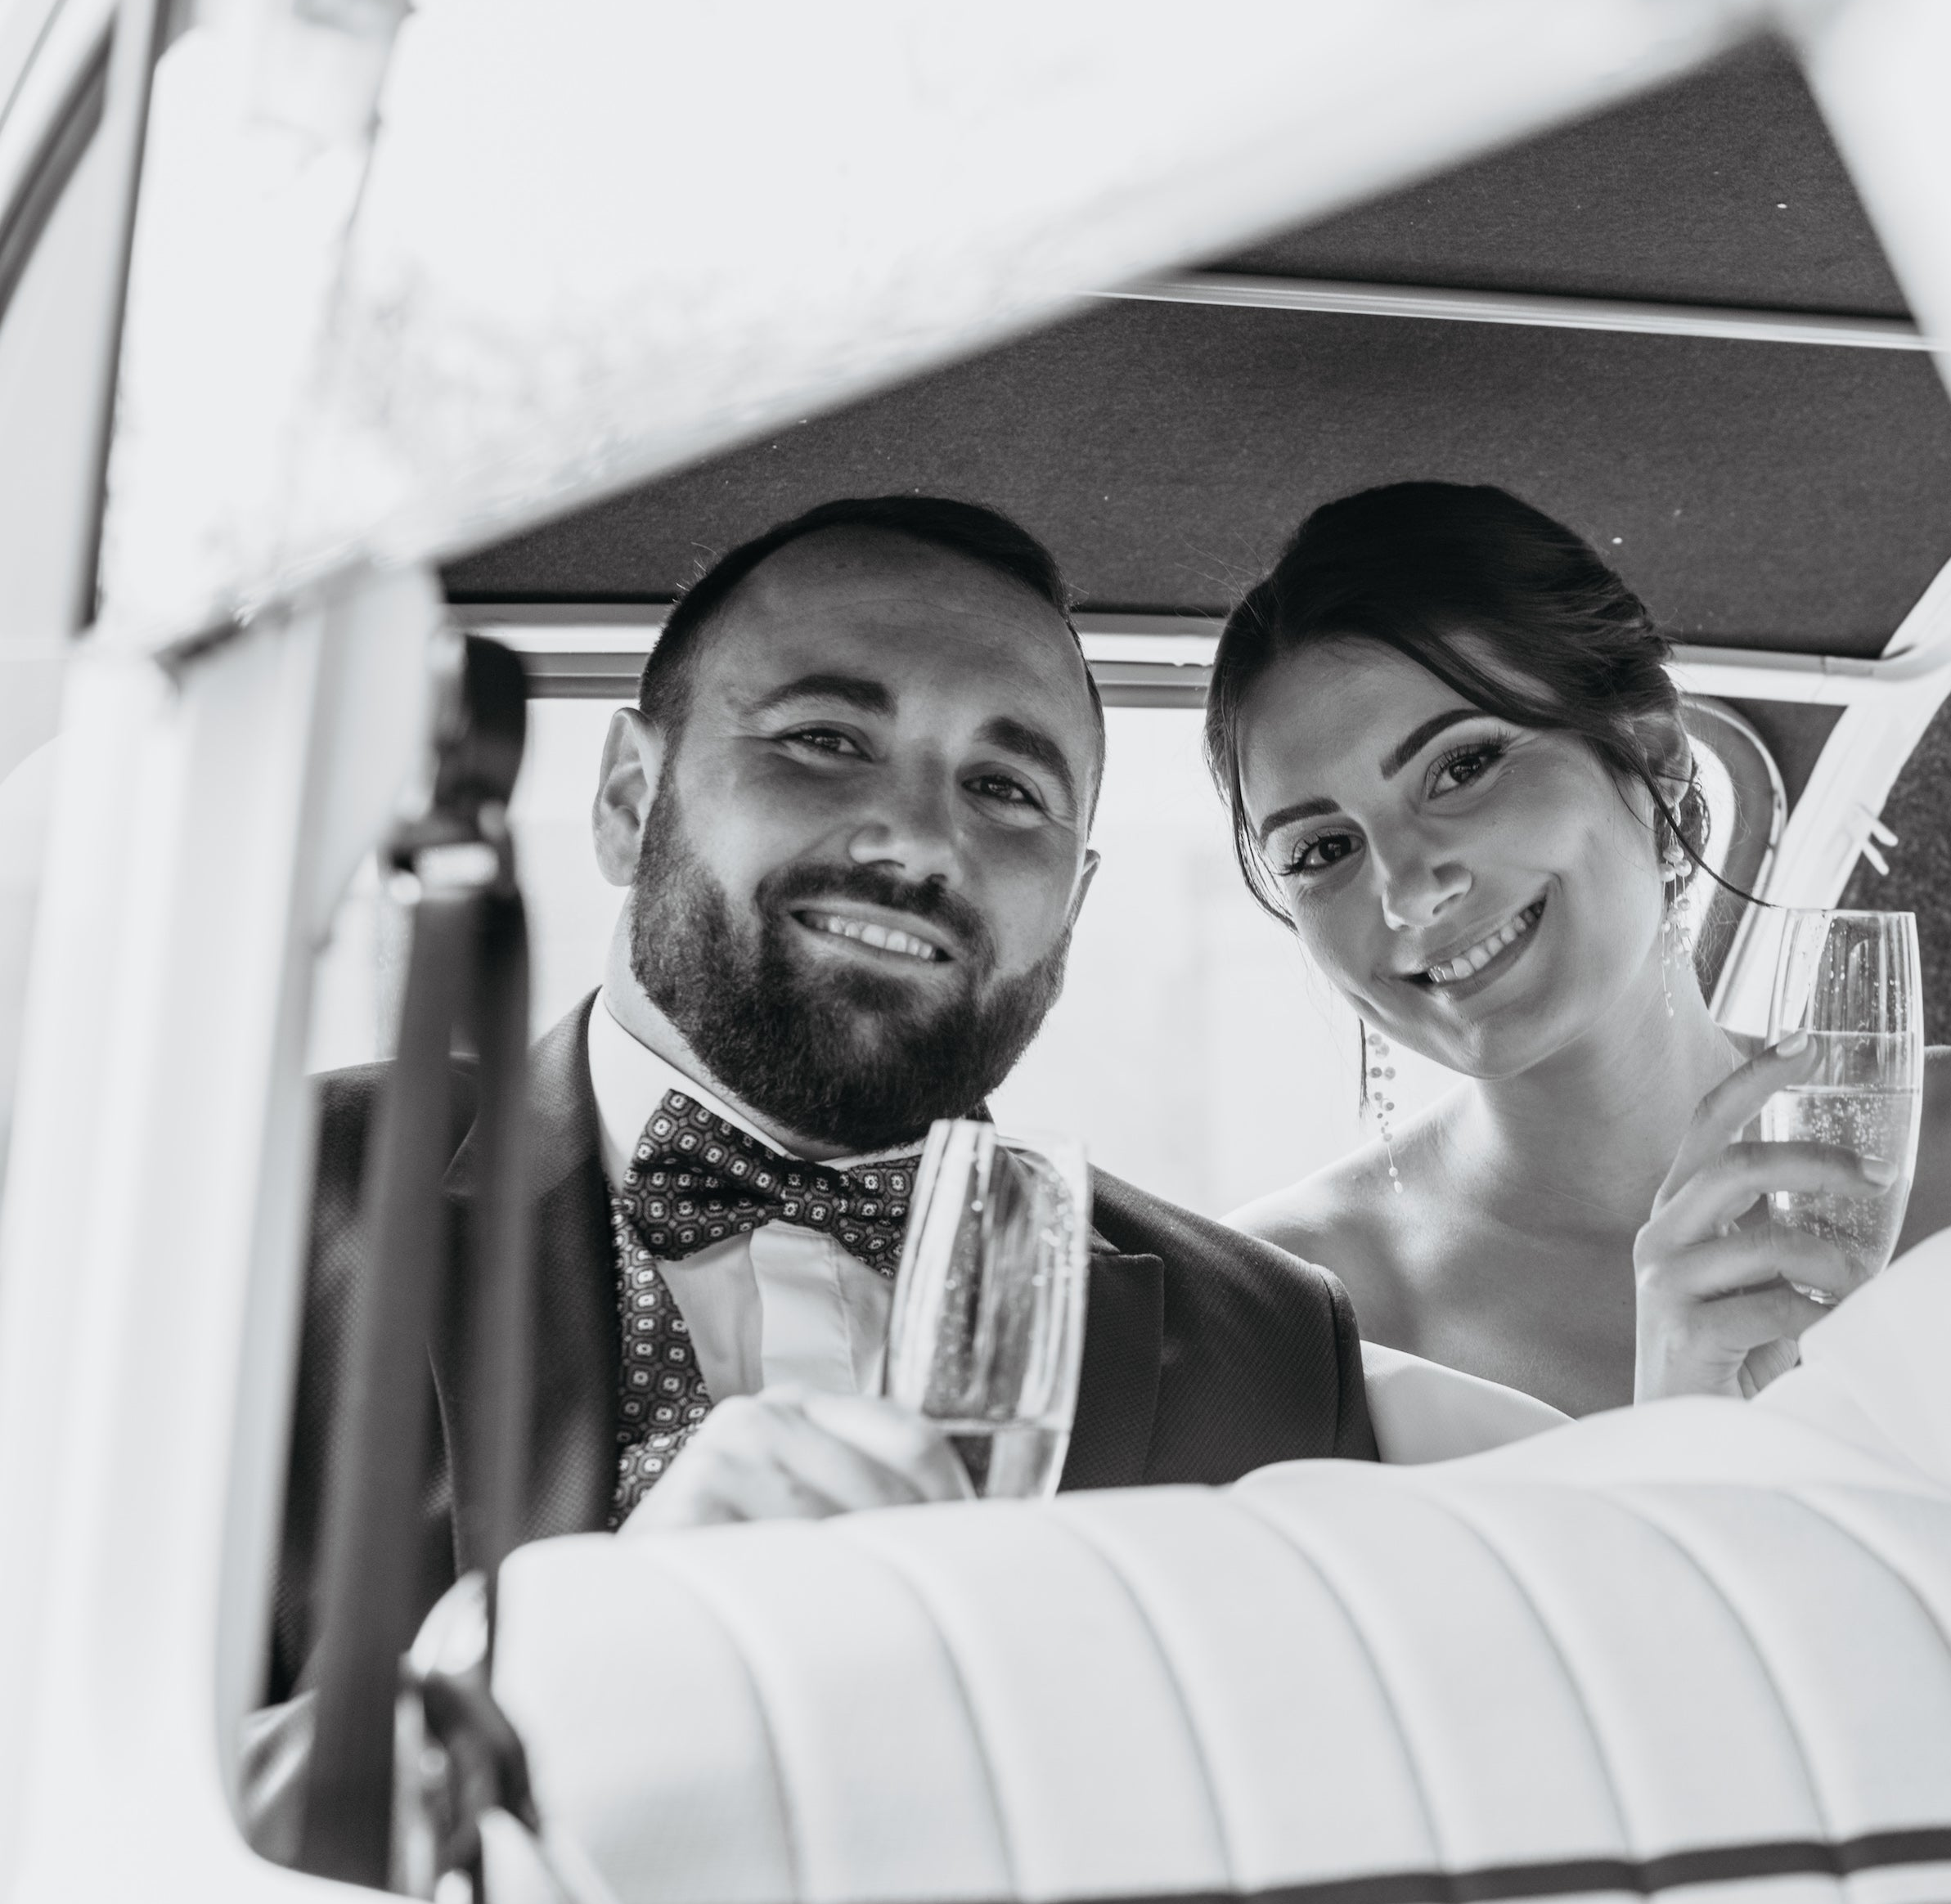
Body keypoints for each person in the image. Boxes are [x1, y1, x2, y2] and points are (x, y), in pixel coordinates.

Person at [267, 496, 1375, 1703]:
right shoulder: (245, 1205)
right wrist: (559, 1667)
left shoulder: (1273, 1349)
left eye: (1007, 787)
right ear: (630, 802)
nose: (917, 842)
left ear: (1074, 901)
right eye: (827, 740)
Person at [1207, 481, 1951, 1418]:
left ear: (1655, 761)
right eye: (1322, 851)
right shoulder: (1281, 1320)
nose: (1406, 890)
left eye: (1462, 767)